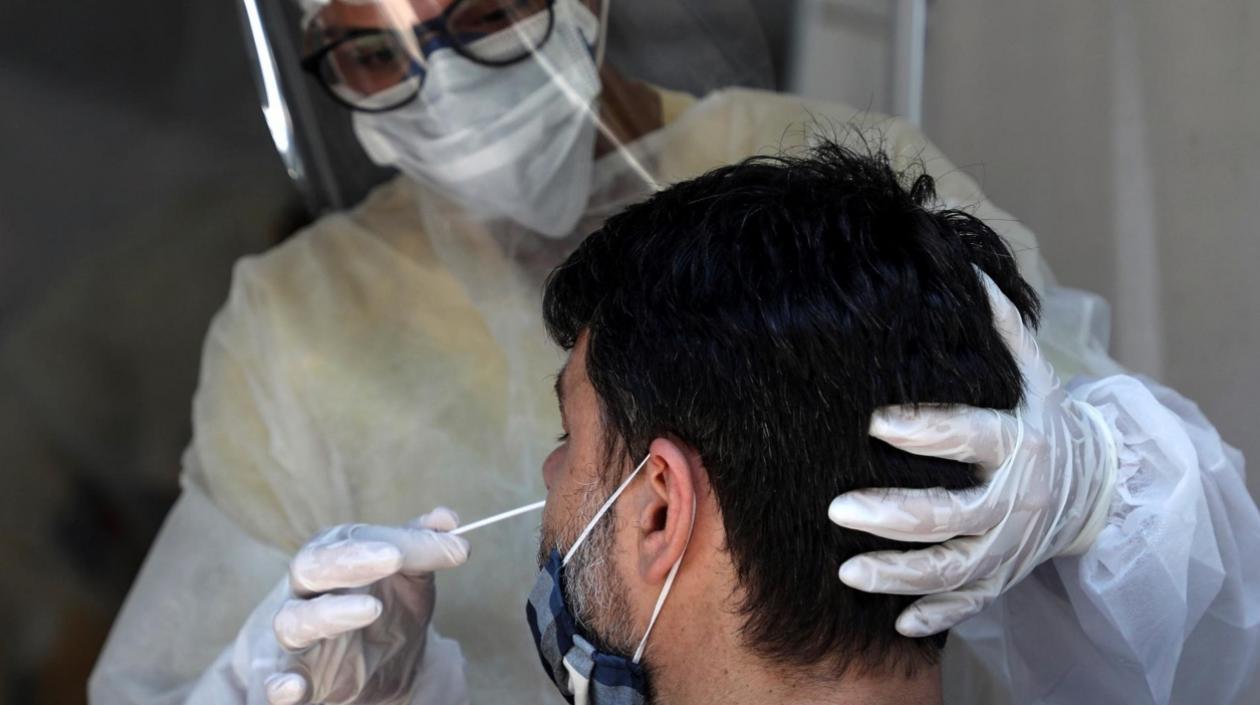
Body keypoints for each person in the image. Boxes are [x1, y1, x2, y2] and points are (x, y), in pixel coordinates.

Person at [88, 1, 1260, 704]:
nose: (438, 85)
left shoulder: (842, 184)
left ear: (656, 507)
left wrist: (1102, 492)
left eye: (487, 14)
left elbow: (1201, 614)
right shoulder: (299, 321)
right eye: (372, 52)